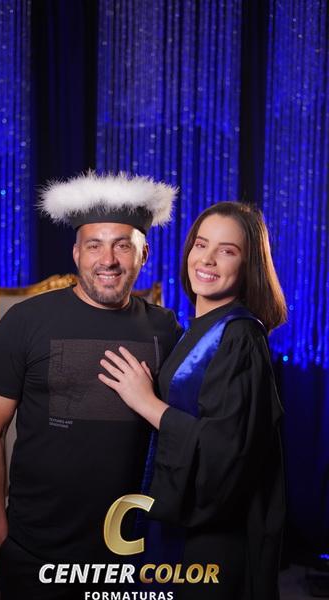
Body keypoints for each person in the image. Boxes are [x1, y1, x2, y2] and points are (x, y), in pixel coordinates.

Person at [0, 171, 182, 599]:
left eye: (122, 245)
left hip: (129, 552)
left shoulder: (166, 329)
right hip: (36, 552)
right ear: (76, 253)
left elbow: (182, 432)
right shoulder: (24, 323)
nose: (108, 259)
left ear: (144, 253)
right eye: (94, 245)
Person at [99, 201, 287, 600]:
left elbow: (228, 453)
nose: (207, 259)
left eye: (227, 250)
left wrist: (146, 402)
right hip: (180, 530)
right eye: (201, 245)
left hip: (212, 544)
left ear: (248, 265)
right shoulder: (196, 330)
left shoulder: (240, 337)